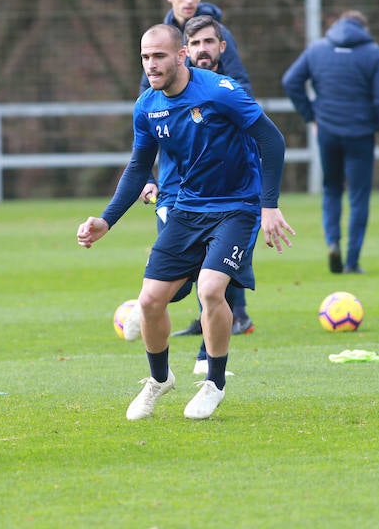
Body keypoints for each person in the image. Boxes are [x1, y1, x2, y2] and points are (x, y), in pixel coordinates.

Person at [77, 24, 294, 420]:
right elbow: (139, 165)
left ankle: (214, 383)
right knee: (149, 301)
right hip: (187, 211)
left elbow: (272, 139)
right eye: (145, 57)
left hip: (236, 207)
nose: (151, 64)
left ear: (181, 56)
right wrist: (107, 220)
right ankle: (159, 380)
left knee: (211, 289)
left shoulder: (218, 92)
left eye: (159, 56)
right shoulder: (146, 106)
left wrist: (269, 205)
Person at [138, 0, 256, 342]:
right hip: (175, 166)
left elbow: (241, 88)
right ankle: (183, 305)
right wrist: (147, 175)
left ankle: (231, 316)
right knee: (180, 244)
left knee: (217, 253)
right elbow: (148, 111)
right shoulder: (159, 43)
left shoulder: (220, 40)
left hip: (218, 163)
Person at [282, 10, 379, 273]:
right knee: (358, 197)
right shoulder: (372, 53)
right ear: (363, 28)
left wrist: (311, 116)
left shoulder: (317, 49)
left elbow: (291, 81)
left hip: (328, 132)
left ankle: (332, 242)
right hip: (360, 134)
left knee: (332, 189)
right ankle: (352, 261)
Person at [139, 0, 251, 96]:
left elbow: (240, 83)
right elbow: (148, 85)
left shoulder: (220, 33)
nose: (190, 0)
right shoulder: (161, 37)